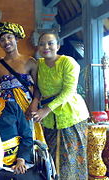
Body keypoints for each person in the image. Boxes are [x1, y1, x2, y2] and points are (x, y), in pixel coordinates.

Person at [32, 32, 89, 179]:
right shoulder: (39, 65)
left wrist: (45, 109)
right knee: (50, 160)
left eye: (50, 43)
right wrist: (35, 103)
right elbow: (36, 88)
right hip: (50, 120)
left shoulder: (68, 62)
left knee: (71, 161)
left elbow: (68, 91)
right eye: (42, 44)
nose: (46, 47)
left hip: (71, 116)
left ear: (58, 45)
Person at [0, 22, 45, 143]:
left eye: (9, 37)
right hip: (5, 109)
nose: (6, 42)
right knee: (9, 138)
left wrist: (34, 103)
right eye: (2, 40)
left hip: (26, 106)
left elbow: (38, 86)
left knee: (28, 137)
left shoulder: (30, 61)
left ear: (16, 39)